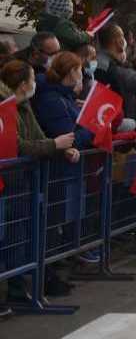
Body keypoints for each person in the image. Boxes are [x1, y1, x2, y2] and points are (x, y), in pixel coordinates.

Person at [0, 60, 79, 301]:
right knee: (10, 236)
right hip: (9, 182)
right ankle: (12, 289)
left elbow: (37, 136)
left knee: (20, 234)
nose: (36, 83)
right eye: (33, 78)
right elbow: (18, 145)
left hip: (21, 182)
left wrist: (61, 149)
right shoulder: (6, 106)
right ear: (23, 84)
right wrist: (55, 144)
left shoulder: (23, 104)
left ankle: (19, 286)